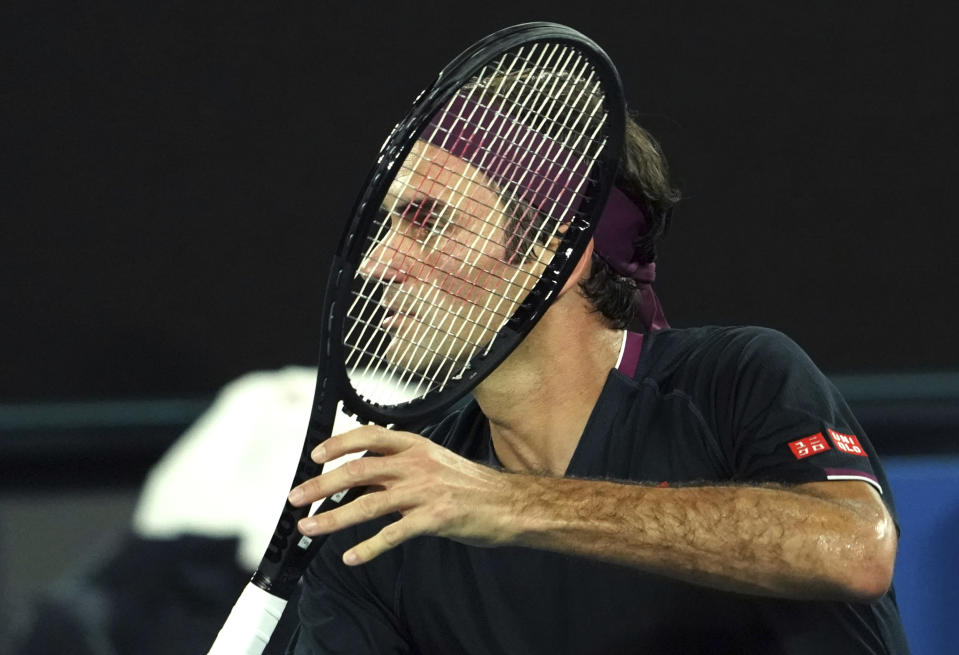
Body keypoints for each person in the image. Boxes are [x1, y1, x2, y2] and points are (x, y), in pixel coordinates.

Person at [283, 71, 910, 653]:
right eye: (390, 223)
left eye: (426, 221)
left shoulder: (737, 378)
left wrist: (510, 505)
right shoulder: (389, 517)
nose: (377, 263)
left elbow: (855, 549)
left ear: (555, 254)